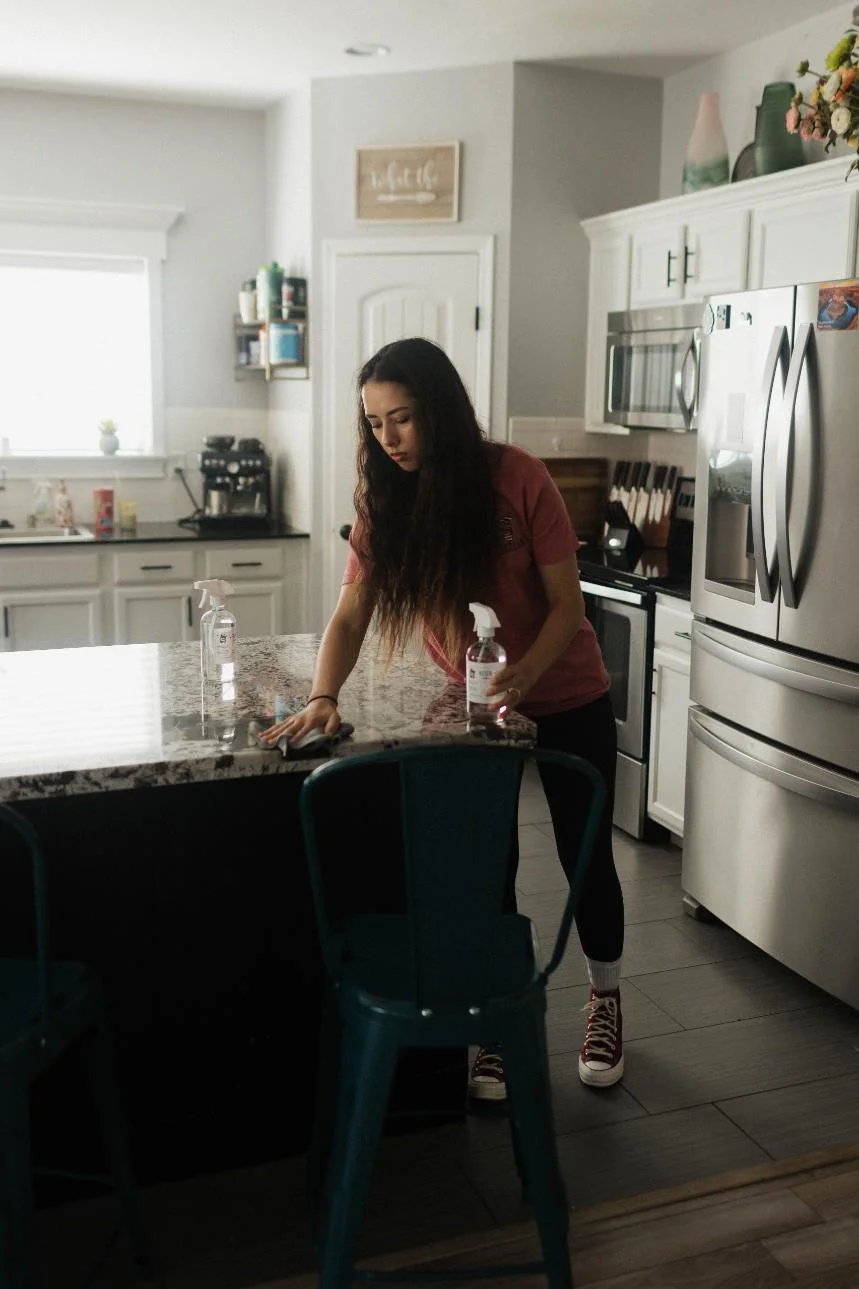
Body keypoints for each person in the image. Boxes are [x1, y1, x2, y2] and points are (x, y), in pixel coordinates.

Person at [261, 337, 624, 1100]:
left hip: (567, 693)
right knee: (488, 866)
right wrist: (323, 695)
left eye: (402, 418)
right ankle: (494, 1019)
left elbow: (568, 605)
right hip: (474, 709)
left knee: (584, 856)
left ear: (442, 412)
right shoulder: (386, 501)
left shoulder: (516, 477)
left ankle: (605, 998)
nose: (387, 438)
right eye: (374, 423)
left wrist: (525, 673)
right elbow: (351, 614)